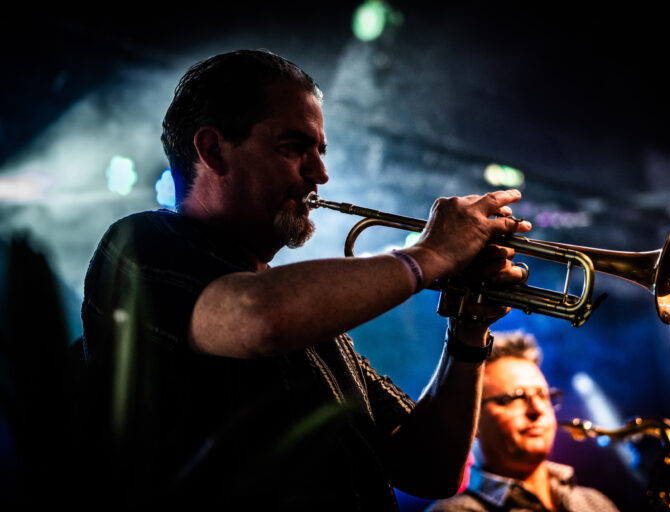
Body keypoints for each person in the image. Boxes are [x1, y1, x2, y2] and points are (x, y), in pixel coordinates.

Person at [77, 49, 533, 508]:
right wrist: (430, 254)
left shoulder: (315, 324)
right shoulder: (141, 242)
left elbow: (432, 470)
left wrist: (467, 332)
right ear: (213, 150)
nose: (320, 173)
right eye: (294, 147)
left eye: (320, 150)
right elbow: (260, 318)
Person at [426, 330, 620, 512]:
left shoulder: (595, 502)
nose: (537, 410)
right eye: (514, 398)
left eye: (542, 395)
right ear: (472, 419)